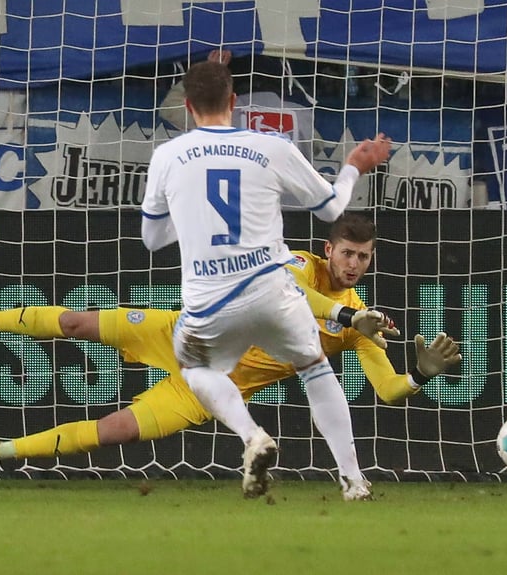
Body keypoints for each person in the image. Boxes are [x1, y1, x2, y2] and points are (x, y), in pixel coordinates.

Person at [0, 214, 462, 500]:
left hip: (204, 388)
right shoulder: (299, 266)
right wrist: (346, 318)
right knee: (76, 322)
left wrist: (420, 374)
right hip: (181, 334)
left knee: (113, 431)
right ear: (329, 250)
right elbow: (299, 298)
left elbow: (389, 390)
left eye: (364, 257)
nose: (355, 264)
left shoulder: (362, 323)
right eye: (347, 253)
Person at [140, 58, 393, 500]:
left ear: (189, 106)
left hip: (210, 304)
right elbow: (332, 209)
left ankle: (251, 435)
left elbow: (152, 238)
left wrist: (192, 212)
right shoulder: (271, 147)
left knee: (196, 368)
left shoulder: (167, 156)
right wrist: (352, 166)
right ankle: (354, 480)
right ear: (234, 102)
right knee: (314, 366)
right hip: (273, 291)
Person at [159, 50, 319, 161]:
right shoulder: (300, 114)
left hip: (240, 206)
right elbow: (318, 145)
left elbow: (170, 108)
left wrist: (207, 74)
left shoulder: (220, 115)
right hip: (291, 208)